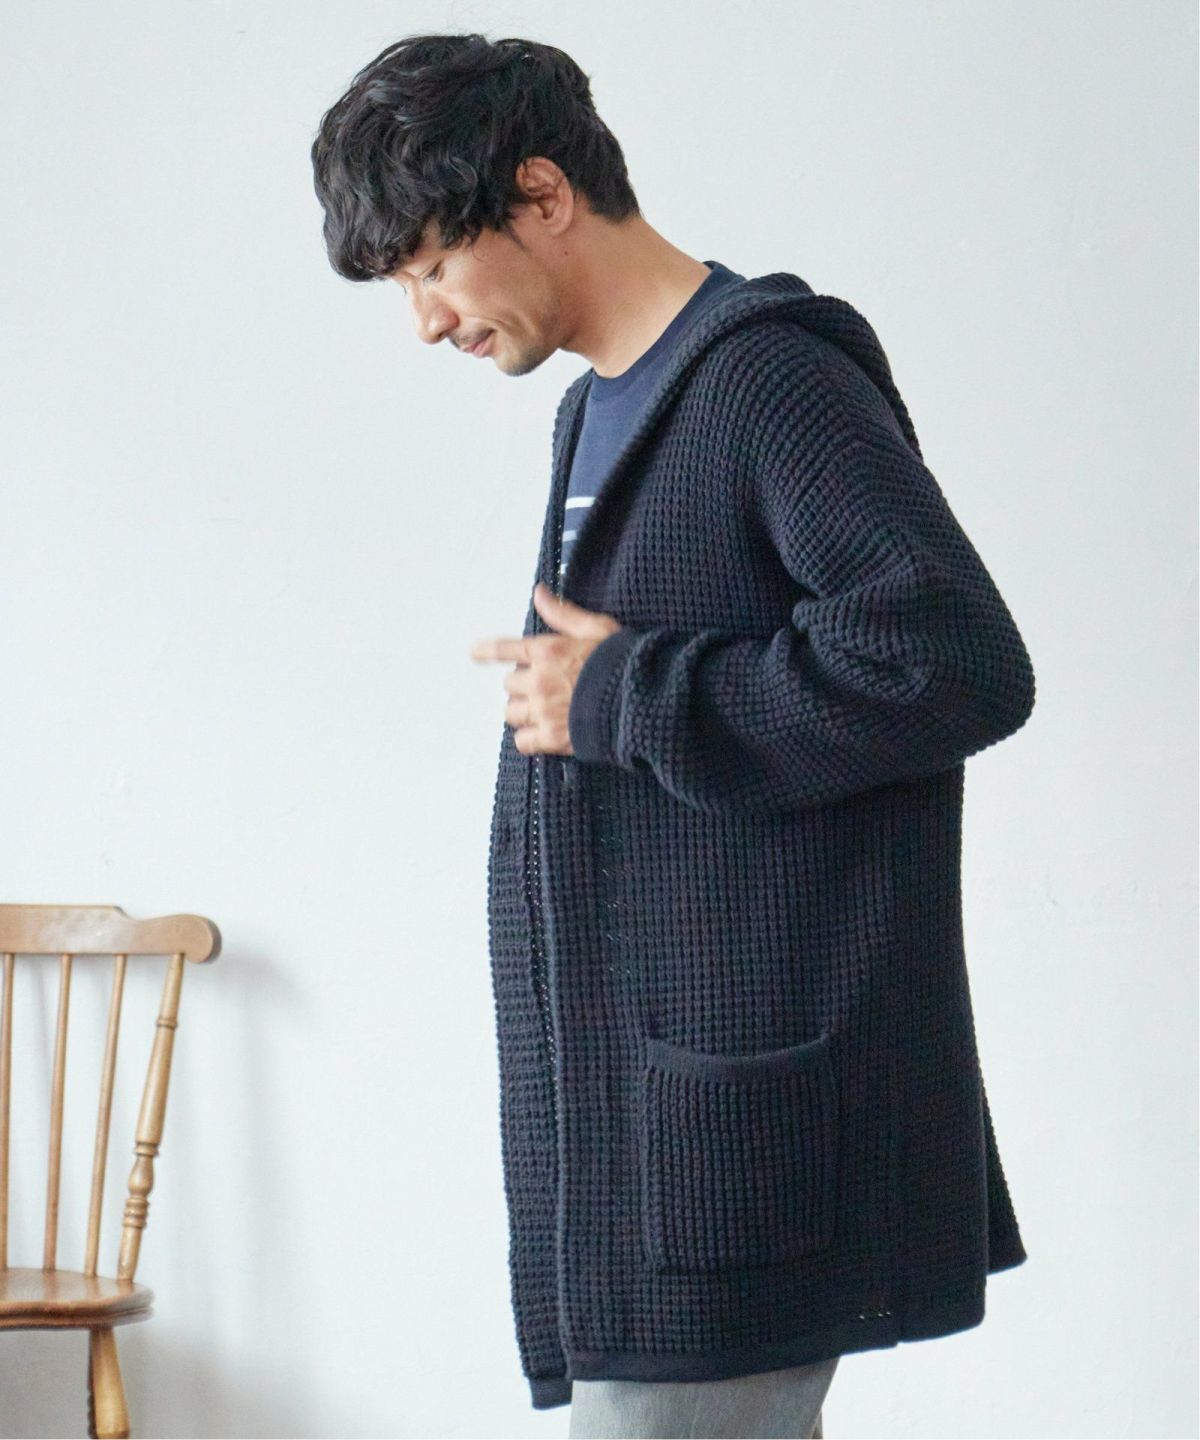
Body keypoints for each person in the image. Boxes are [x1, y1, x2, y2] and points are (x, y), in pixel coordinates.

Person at [310, 33, 1035, 1440]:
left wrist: (620, 697)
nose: (425, 321)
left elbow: (952, 662)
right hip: (655, 1118)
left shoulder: (768, 381)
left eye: (432, 266)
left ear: (541, 194)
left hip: (741, 1127)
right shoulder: (596, 408)